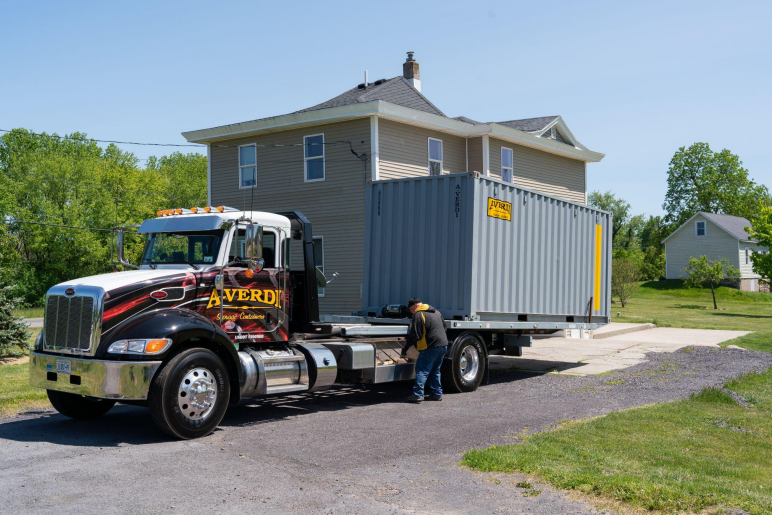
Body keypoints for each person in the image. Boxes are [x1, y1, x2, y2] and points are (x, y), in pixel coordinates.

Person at [402, 298, 448, 403]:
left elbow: (415, 335)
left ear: (416, 306)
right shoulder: (436, 312)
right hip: (443, 345)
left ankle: (417, 394)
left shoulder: (419, 315)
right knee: (435, 370)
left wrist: (406, 347)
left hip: (430, 347)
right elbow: (444, 327)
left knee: (422, 370)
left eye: (411, 309)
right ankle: (437, 394)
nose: (411, 311)